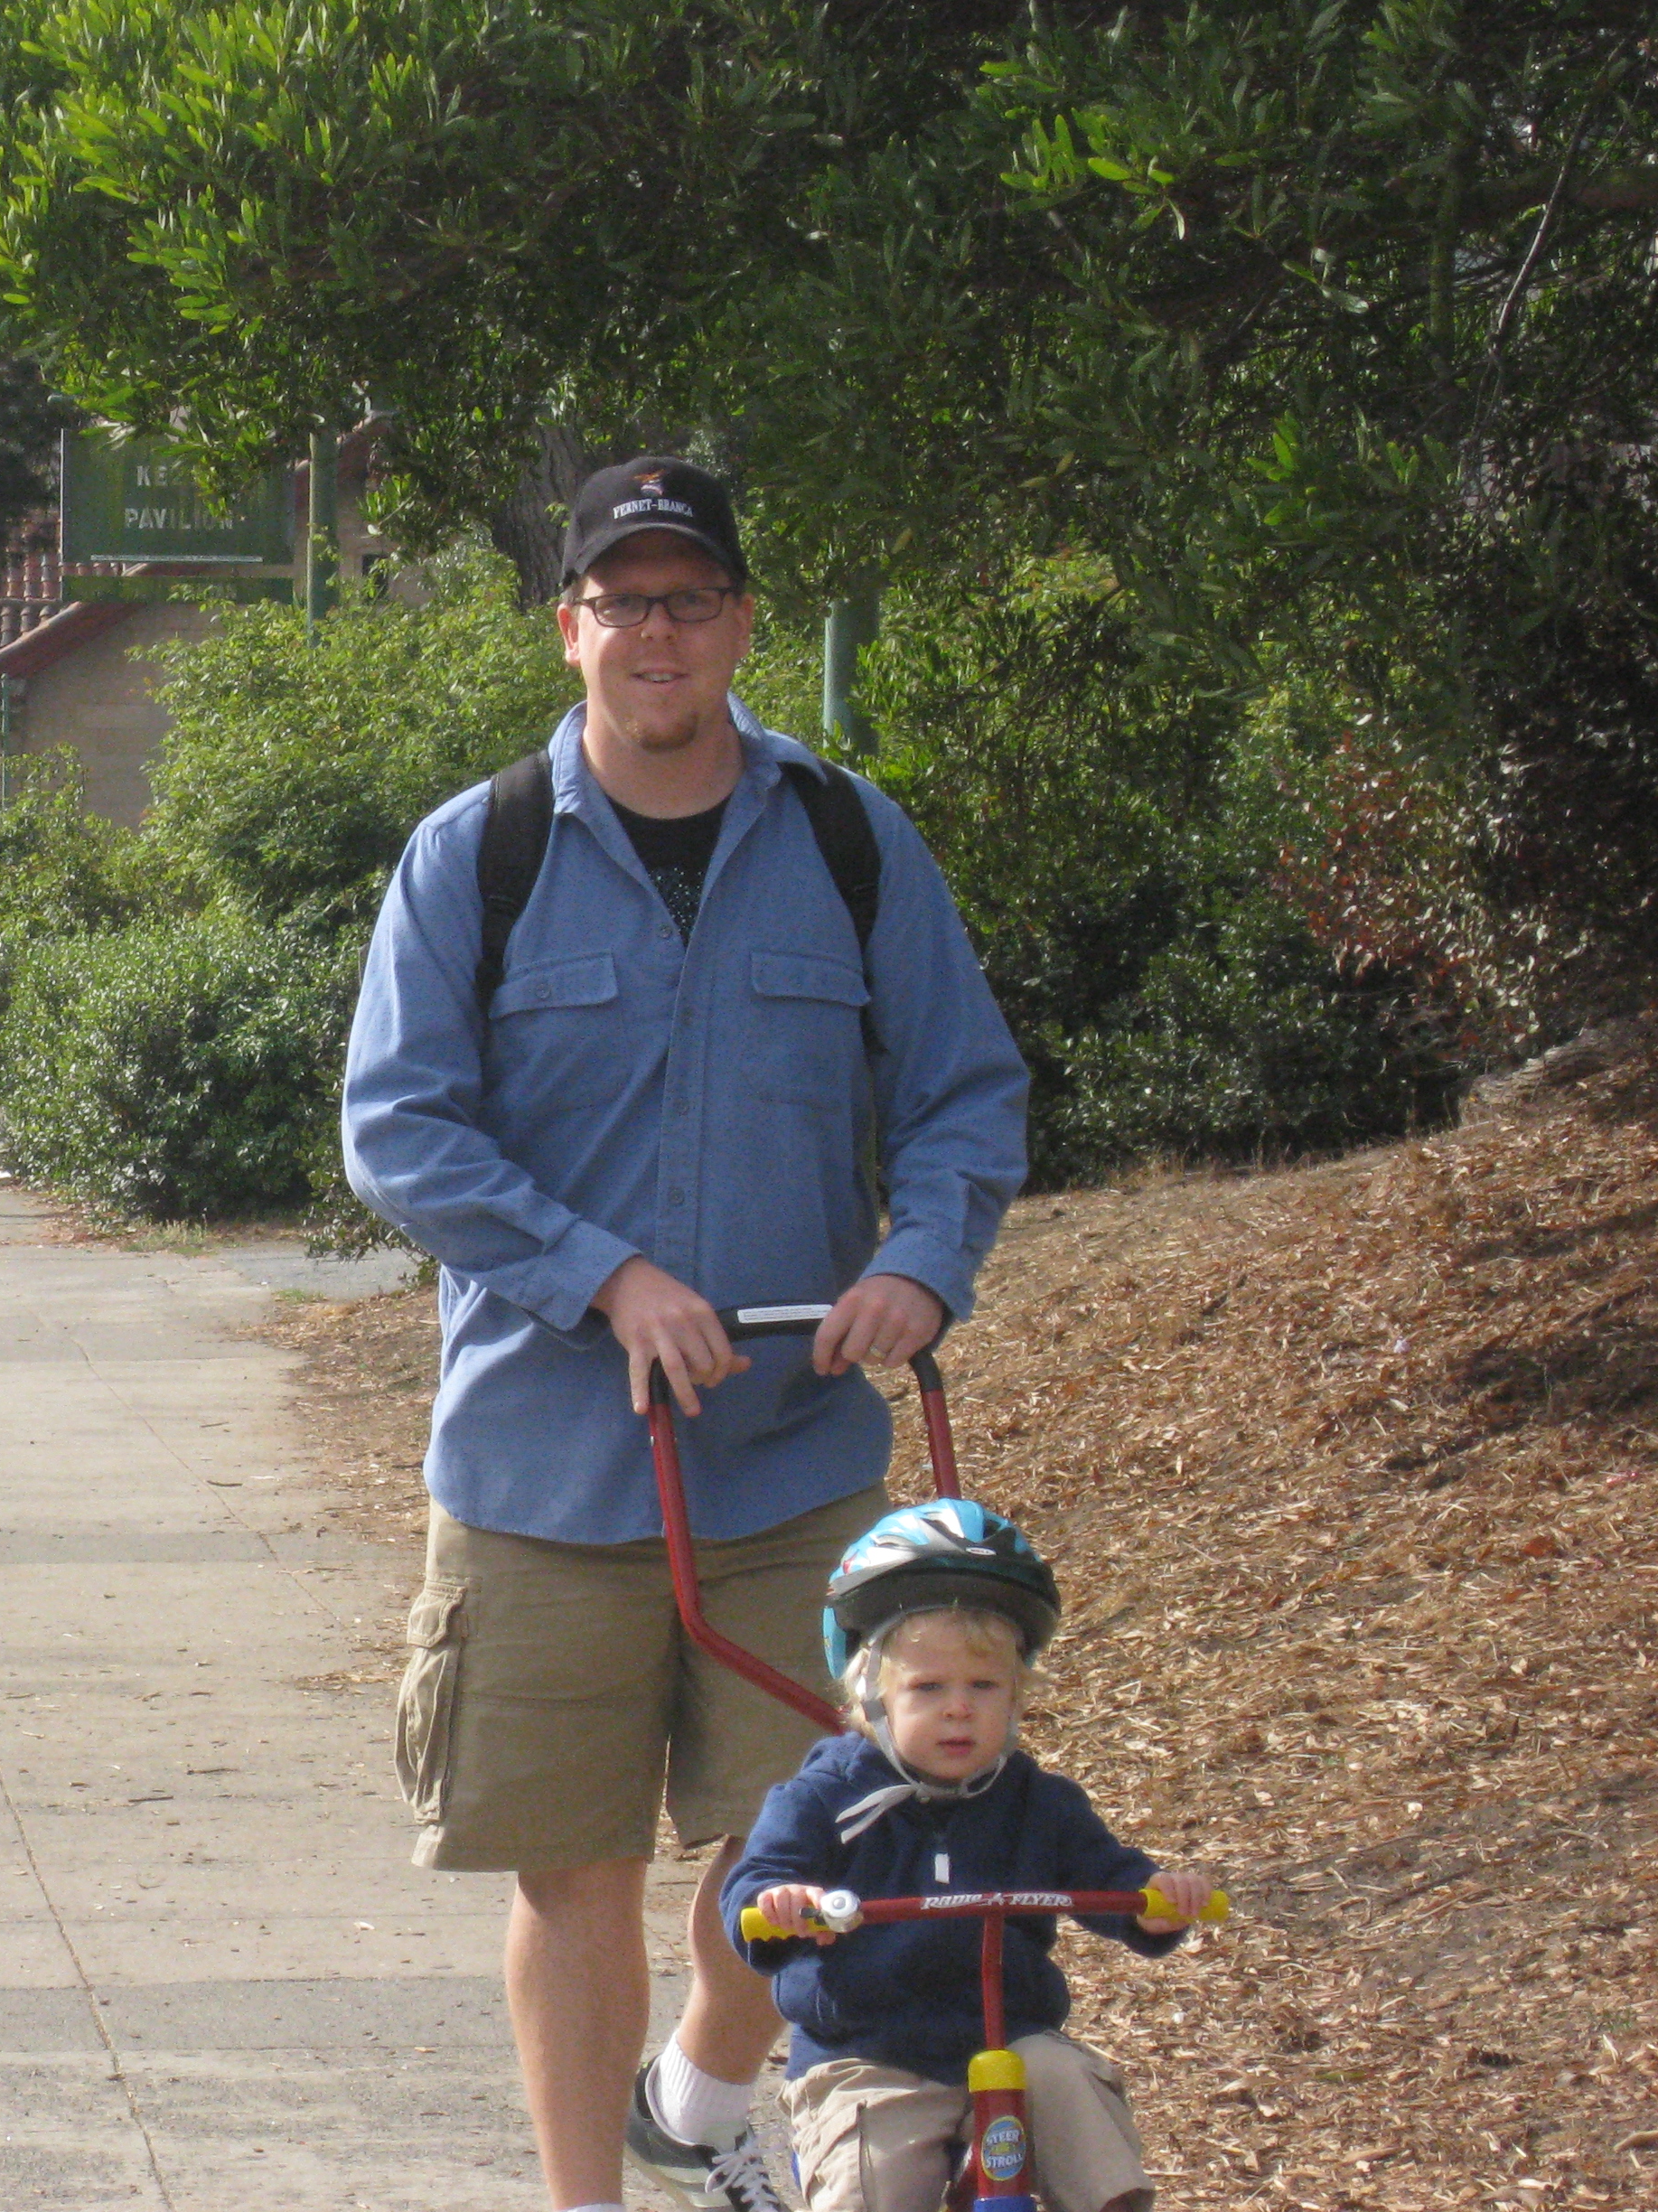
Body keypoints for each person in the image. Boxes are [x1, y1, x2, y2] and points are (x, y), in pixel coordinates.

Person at [340, 456, 1028, 2212]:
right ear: (568, 628)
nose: (657, 632)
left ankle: (701, 2092)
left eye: (689, 599)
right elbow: (397, 1126)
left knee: (804, 1858)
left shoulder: (851, 841)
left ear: (738, 624)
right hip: (542, 1467)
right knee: (572, 1874)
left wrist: (920, 1265)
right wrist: (605, 1277)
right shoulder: (476, 851)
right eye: (622, 601)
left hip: (792, 1463)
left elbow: (962, 1090)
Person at [725, 1503, 1214, 2212]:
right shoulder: (824, 1796)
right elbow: (757, 1882)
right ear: (871, 1696)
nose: (959, 1709)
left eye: (983, 1687)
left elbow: (1107, 1873)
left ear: (1016, 1696)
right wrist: (778, 1905)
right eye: (928, 1688)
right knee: (874, 2184)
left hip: (1013, 2039)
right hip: (869, 2052)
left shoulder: (1038, 1801)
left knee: (1073, 2084)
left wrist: (1154, 1900)